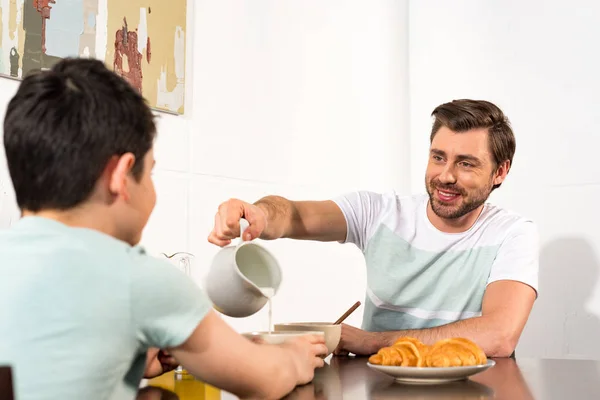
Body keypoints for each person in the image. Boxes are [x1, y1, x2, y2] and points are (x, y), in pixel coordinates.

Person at [0, 58, 327, 400]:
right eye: (150, 173)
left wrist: (126, 361)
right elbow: (265, 379)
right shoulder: (137, 277)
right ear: (121, 175)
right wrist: (292, 356)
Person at [208, 99, 539, 358]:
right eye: (438, 157)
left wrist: (373, 342)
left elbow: (500, 335)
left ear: (500, 172)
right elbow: (293, 215)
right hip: (380, 384)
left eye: (466, 163)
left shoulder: (512, 233)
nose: (446, 176)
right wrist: (260, 214)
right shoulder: (380, 212)